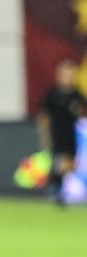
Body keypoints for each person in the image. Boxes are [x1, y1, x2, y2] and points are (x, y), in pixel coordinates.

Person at [37, 59, 86, 204]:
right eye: (64, 74)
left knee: (71, 165)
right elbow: (43, 117)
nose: (67, 77)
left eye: (70, 74)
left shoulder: (77, 95)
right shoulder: (52, 94)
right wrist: (44, 136)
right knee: (61, 163)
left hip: (73, 136)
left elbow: (81, 115)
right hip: (57, 134)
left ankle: (61, 189)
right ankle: (56, 189)